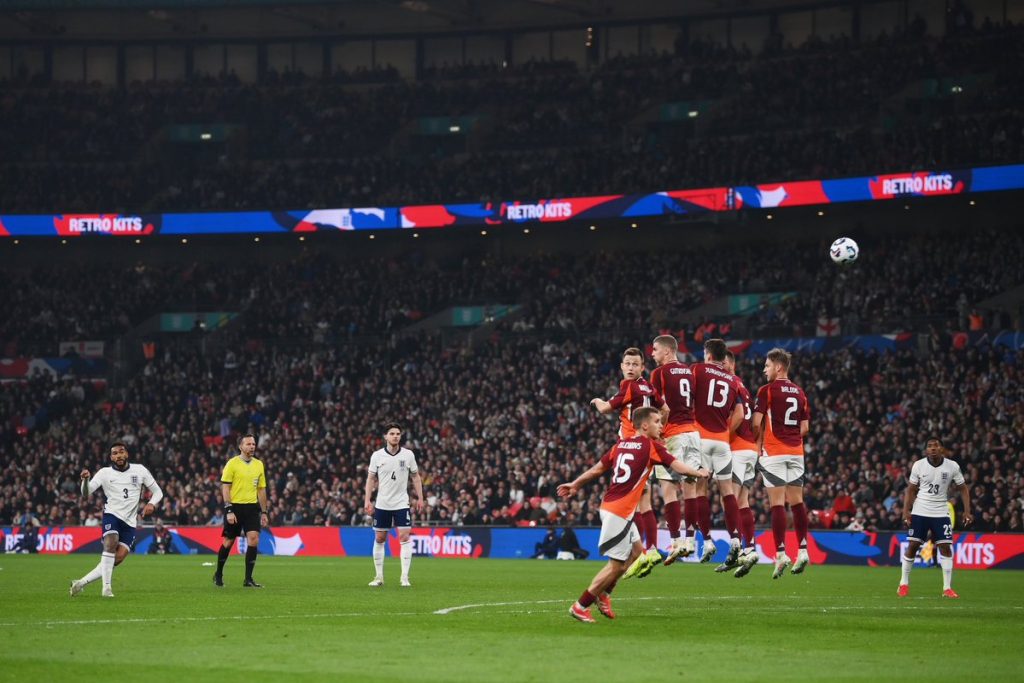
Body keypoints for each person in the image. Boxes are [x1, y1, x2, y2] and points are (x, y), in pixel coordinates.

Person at [559, 407, 708, 623]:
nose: (661, 425)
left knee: (638, 552)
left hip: (616, 508)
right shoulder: (650, 446)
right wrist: (700, 472)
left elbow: (597, 470)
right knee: (616, 565)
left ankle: (604, 594)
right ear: (644, 426)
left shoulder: (620, 445)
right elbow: (679, 467)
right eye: (657, 421)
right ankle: (581, 605)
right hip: (619, 511)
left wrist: (575, 484)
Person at [591, 347, 665, 573]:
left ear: (642, 367)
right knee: (644, 501)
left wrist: (595, 400)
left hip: (630, 449)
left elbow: (605, 409)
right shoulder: (648, 387)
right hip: (647, 448)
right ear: (622, 366)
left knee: (630, 504)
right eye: (628, 364)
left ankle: (640, 552)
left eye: (635, 364)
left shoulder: (628, 386)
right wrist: (659, 432)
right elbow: (665, 408)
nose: (631, 368)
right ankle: (651, 549)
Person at [70, 442, 163, 598]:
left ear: (127, 454)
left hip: (130, 522)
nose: (119, 455)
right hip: (112, 515)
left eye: (121, 452)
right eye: (115, 453)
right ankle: (106, 589)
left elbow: (158, 492)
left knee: (117, 558)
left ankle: (81, 583)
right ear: (111, 457)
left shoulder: (139, 470)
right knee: (110, 543)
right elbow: (86, 493)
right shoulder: (104, 473)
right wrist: (85, 481)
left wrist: (151, 503)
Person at [752, 348, 811, 579]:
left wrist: (759, 444)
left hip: (774, 452)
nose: (764, 370)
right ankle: (803, 549)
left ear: (778, 367)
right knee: (797, 503)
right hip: (796, 452)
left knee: (777, 504)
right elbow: (805, 428)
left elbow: (756, 423)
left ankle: (780, 553)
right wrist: (791, 437)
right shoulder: (800, 392)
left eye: (767, 366)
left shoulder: (766, 391)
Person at [691, 338, 744, 565]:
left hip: (701, 439)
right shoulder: (733, 381)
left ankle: (708, 541)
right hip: (722, 442)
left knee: (700, 491)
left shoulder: (698, 370)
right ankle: (735, 539)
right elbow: (739, 414)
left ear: (708, 354)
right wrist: (725, 433)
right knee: (728, 492)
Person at [898, 438, 973, 598]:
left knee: (945, 547)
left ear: (942, 449)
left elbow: (963, 489)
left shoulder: (952, 466)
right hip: (920, 510)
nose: (933, 448)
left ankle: (947, 588)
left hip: (940, 511)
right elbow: (911, 490)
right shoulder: (918, 465)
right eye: (929, 446)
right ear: (926, 450)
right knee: (913, 545)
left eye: (936, 446)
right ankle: (903, 584)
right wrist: (906, 511)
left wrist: (967, 511)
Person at [649, 334, 700, 564]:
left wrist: (658, 432)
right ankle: (691, 540)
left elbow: (661, 408)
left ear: (668, 352)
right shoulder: (689, 371)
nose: (652, 353)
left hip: (673, 435)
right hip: (692, 433)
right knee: (690, 490)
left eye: (655, 350)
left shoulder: (659, 373)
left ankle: (676, 542)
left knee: (669, 490)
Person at [364, 422, 424, 587]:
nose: (395, 436)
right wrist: (367, 500)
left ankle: (404, 577)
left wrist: (420, 498)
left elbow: (416, 477)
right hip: (382, 503)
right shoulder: (377, 456)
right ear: (385, 436)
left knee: (404, 537)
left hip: (401, 503)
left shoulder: (408, 455)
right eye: (392, 433)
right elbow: (370, 479)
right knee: (380, 538)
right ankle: (379, 577)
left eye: (398, 433)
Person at [721, 350, 760, 576]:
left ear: (731, 363)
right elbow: (756, 423)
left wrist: (722, 437)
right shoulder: (744, 387)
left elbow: (735, 417)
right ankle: (750, 548)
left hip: (737, 449)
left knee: (729, 499)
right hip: (750, 450)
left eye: (722, 362)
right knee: (743, 501)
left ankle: (735, 549)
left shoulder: (729, 385)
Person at [213, 433, 269, 588]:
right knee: (229, 541)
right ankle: (218, 573)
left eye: (253, 444)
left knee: (254, 539)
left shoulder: (259, 464)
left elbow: (261, 489)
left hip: (251, 507)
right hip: (235, 507)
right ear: (240, 447)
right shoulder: (232, 464)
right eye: (248, 444)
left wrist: (264, 512)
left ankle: (248, 579)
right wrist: (229, 509)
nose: (252, 446)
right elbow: (225, 487)